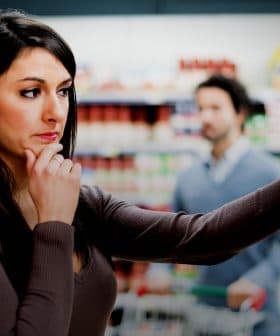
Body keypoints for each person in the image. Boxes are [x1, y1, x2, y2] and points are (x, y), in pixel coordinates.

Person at [1, 10, 280, 336]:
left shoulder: (85, 205)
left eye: (63, 91)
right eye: (31, 92)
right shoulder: (59, 214)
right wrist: (53, 228)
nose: (56, 113)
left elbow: (204, 237)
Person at [172, 74, 280, 336]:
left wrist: (258, 279)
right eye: (200, 109)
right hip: (201, 313)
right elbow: (167, 231)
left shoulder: (271, 174)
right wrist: (158, 270)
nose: (205, 117)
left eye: (215, 108)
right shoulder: (188, 178)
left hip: (257, 316)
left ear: (240, 114)